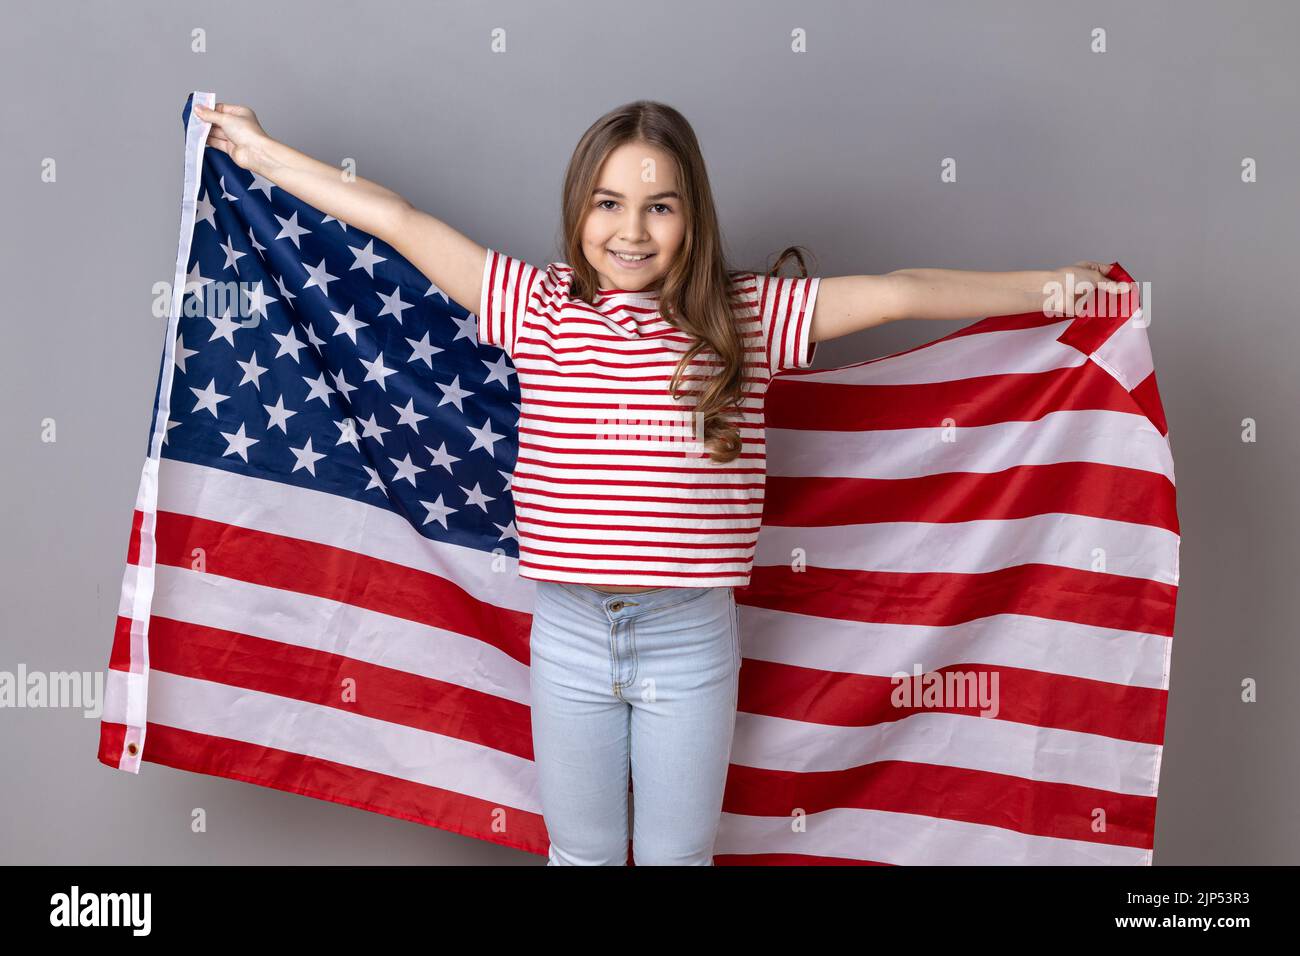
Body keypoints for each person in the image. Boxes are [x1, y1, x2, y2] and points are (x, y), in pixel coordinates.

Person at [193, 98, 1130, 865]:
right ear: (578, 211)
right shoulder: (536, 304)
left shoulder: (745, 317)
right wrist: (262, 150)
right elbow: (395, 218)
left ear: (694, 217)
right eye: (607, 203)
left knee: (679, 860)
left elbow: (900, 289)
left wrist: (1050, 287)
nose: (630, 230)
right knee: (585, 856)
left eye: (659, 205)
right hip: (568, 635)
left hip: (687, 639)